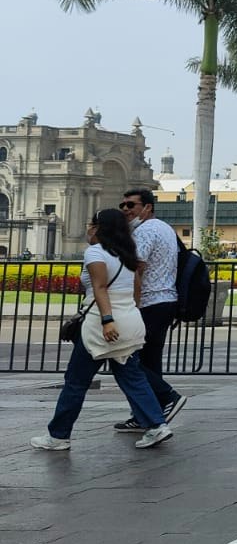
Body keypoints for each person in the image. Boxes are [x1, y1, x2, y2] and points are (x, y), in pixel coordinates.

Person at [32, 209, 172, 451]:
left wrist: (108, 319)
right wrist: (128, 311)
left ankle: (58, 435)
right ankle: (157, 424)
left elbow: (100, 288)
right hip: (129, 320)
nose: (88, 228)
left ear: (99, 227)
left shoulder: (95, 252)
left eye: (91, 224)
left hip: (102, 326)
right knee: (133, 377)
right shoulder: (127, 254)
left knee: (76, 382)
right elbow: (137, 289)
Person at [111, 188, 187, 432]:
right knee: (150, 361)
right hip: (165, 301)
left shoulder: (144, 231)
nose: (125, 210)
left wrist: (129, 303)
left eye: (131, 205)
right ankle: (147, 416)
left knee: (127, 359)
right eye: (123, 205)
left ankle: (168, 397)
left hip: (148, 302)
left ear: (147, 207)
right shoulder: (165, 228)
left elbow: (137, 269)